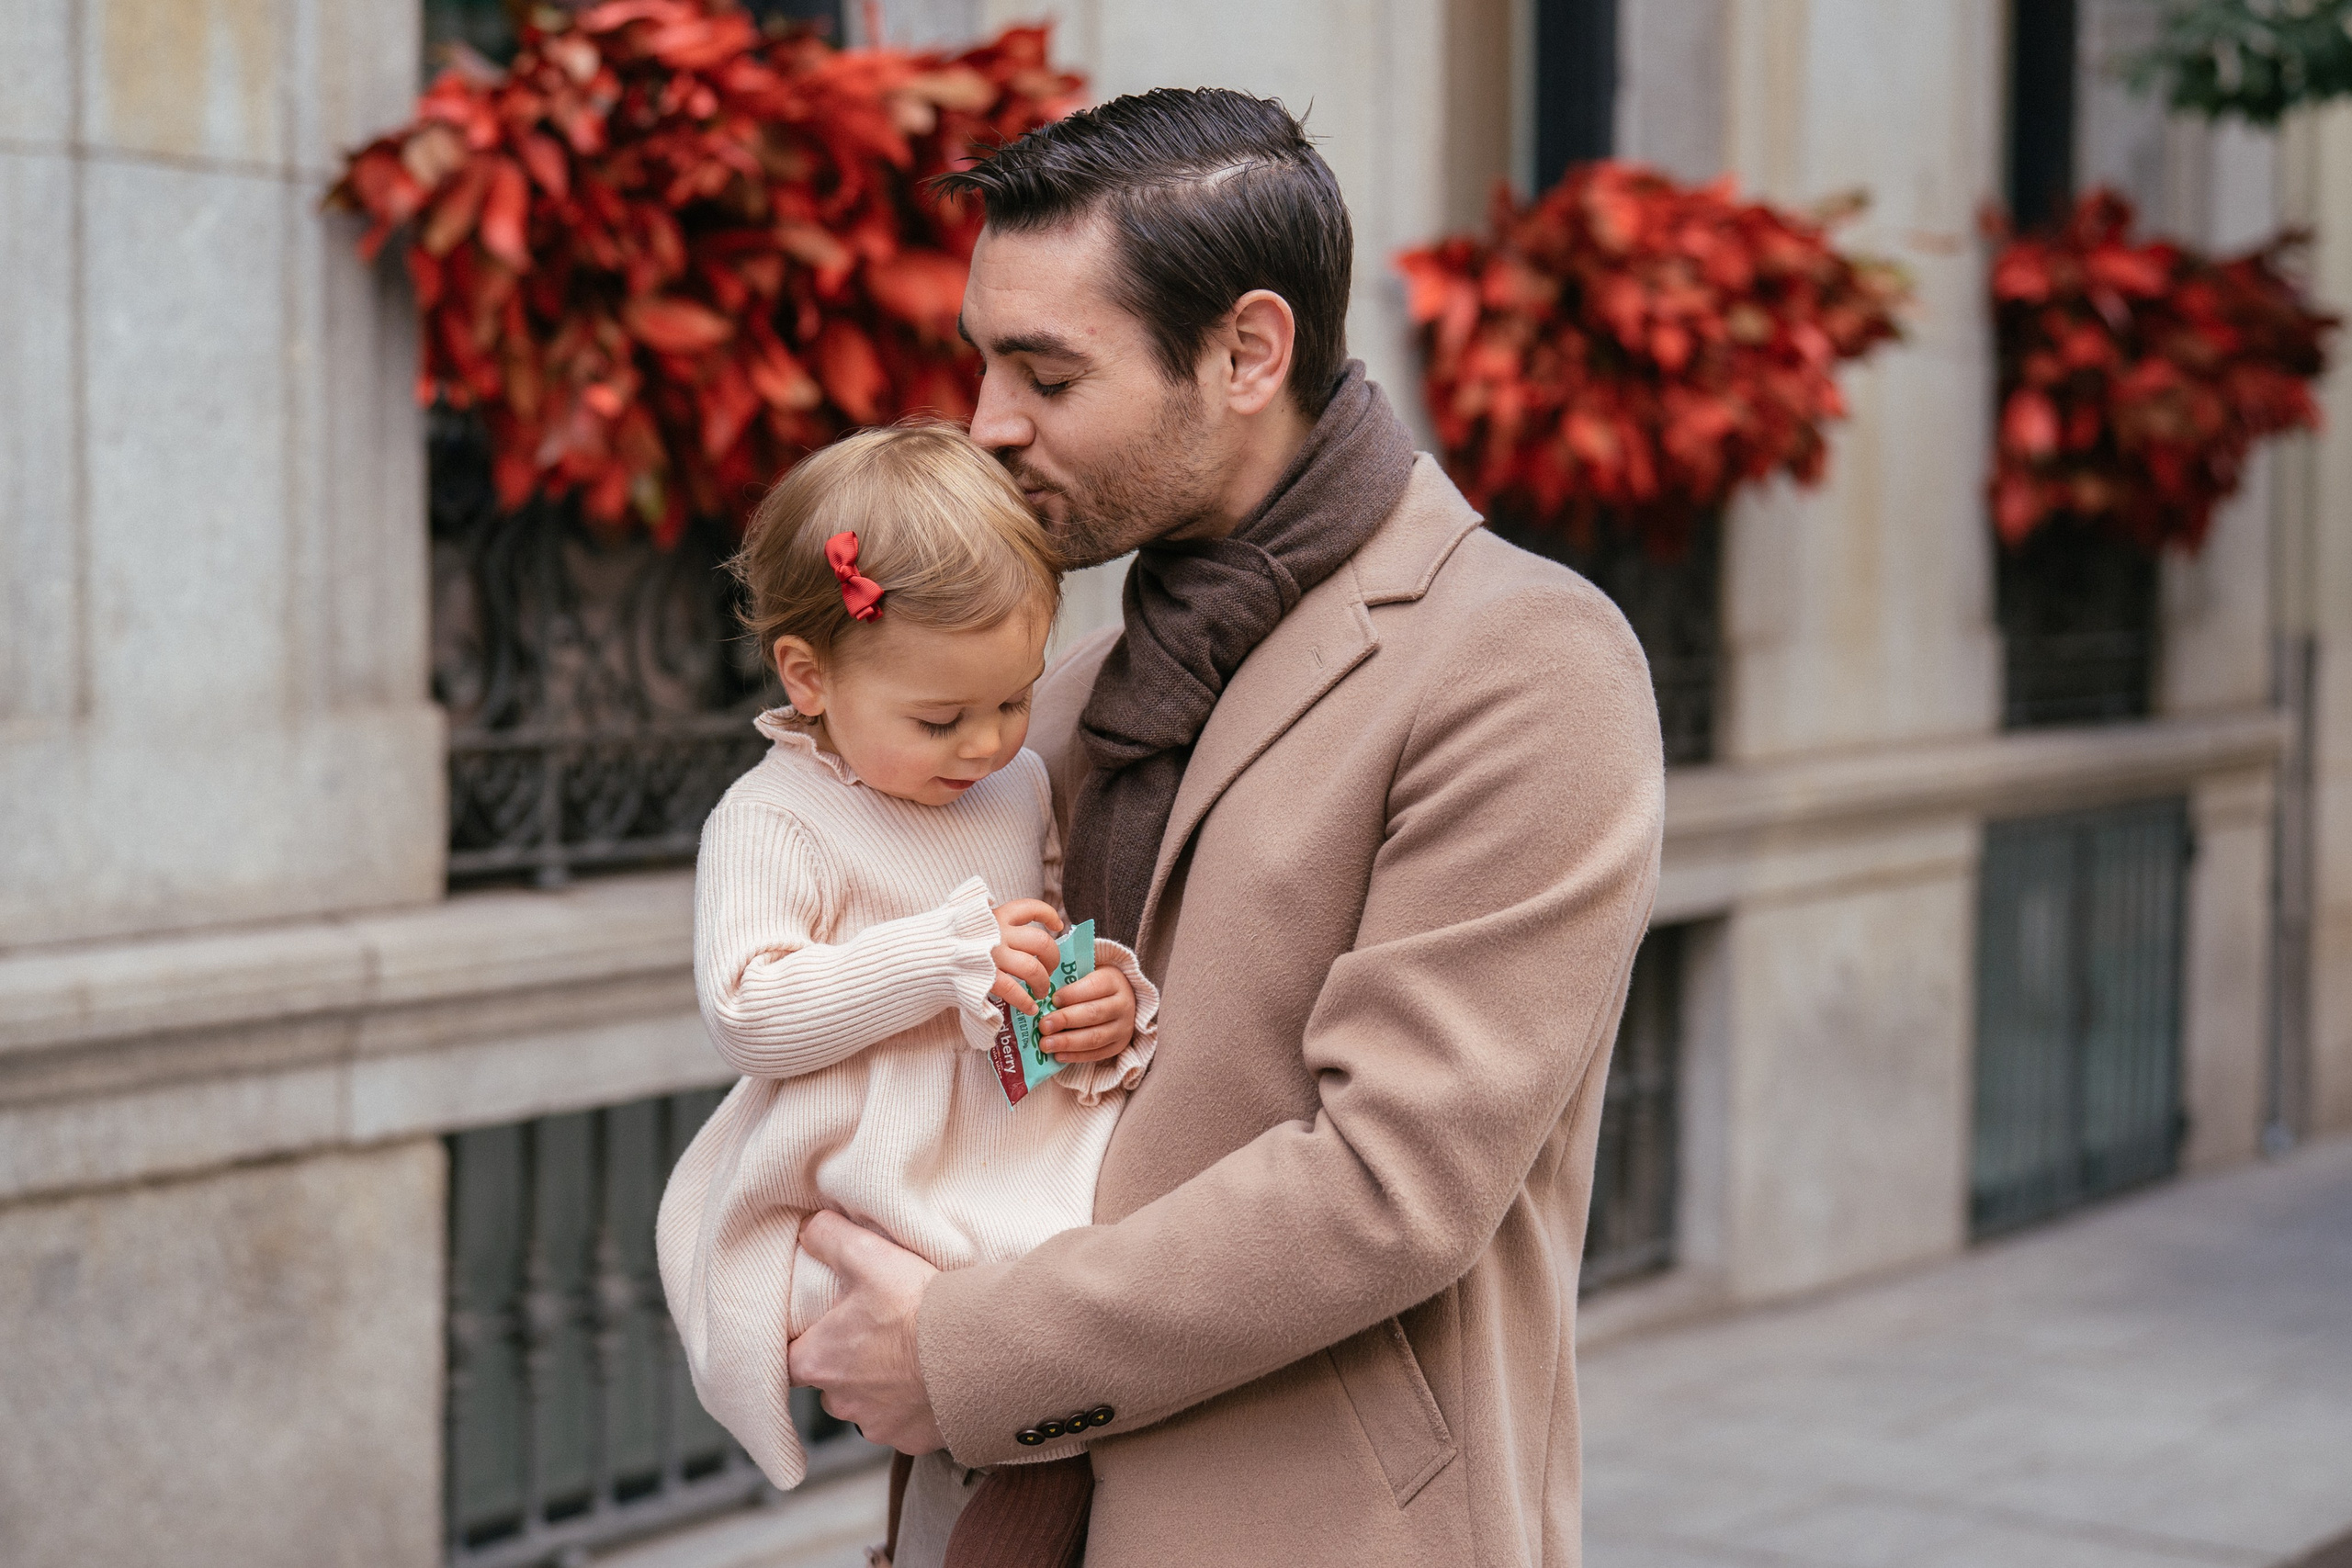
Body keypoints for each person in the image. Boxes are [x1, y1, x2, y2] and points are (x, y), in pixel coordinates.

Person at [787, 89, 1665, 1567]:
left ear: (1249, 352)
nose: (987, 423)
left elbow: (1391, 1182)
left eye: (1046, 373)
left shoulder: (1524, 660)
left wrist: (959, 1350)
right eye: (982, 362)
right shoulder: (1056, 700)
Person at [653, 423, 1156, 1553]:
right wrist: (939, 959)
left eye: (1013, 702)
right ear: (809, 676)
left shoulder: (1014, 786)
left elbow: (1046, 941)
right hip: (868, 1159)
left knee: (1056, 1359)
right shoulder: (773, 817)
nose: (985, 744)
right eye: (940, 719)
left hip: (1009, 1141)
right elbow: (748, 1011)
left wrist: (1098, 1001)